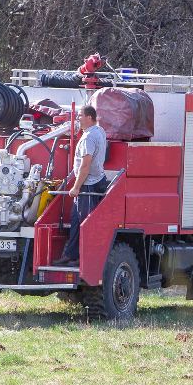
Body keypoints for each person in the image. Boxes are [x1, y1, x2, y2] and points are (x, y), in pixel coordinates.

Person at [55, 105, 107, 267]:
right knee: (76, 220)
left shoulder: (88, 138)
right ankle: (70, 254)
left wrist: (76, 187)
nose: (78, 118)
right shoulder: (100, 131)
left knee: (85, 223)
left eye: (80, 115)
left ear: (89, 117)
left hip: (88, 185)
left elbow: (85, 166)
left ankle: (83, 259)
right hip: (96, 180)